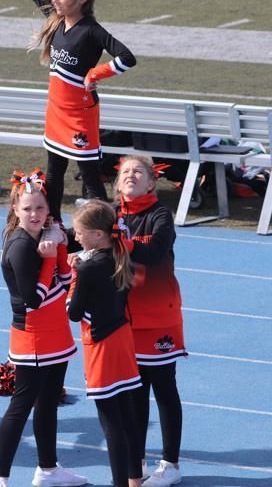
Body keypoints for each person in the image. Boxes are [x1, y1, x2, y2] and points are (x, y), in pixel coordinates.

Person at [6, 0, 137, 224]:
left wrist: (96, 72)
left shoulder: (91, 30)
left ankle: (111, 228)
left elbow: (127, 57)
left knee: (90, 175)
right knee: (54, 173)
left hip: (80, 114)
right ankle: (53, 224)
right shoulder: (57, 20)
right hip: (56, 112)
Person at [0, 169, 86, 487]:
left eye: (40, 208)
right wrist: (48, 256)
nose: (34, 214)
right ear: (16, 209)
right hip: (33, 333)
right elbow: (34, 299)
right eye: (28, 208)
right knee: (21, 405)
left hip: (55, 331)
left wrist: (58, 249)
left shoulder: (44, 235)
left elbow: (66, 280)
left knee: (48, 402)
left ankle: (48, 469)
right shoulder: (20, 245)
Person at [114, 156, 185, 486]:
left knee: (164, 388)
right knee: (135, 392)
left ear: (150, 182)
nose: (131, 175)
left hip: (158, 317)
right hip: (125, 320)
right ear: (117, 183)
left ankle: (170, 464)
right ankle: (137, 461)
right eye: (125, 172)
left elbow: (154, 252)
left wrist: (115, 241)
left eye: (138, 171)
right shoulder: (111, 214)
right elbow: (82, 236)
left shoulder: (160, 214)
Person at [68, 200, 144, 487]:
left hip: (100, 344)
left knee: (110, 422)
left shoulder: (88, 268)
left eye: (79, 232)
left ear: (97, 235)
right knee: (126, 415)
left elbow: (74, 313)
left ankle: (119, 483)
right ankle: (135, 479)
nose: (75, 237)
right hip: (122, 339)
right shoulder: (119, 253)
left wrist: (75, 274)